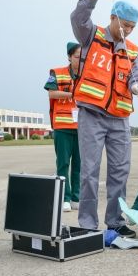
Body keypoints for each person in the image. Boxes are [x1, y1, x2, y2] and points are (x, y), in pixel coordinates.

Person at [70, 0, 138, 237]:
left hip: (119, 119)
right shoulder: (92, 36)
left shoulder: (133, 50)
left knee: (120, 172)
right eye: (124, 25)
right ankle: (88, 225)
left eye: (132, 27)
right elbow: (78, 17)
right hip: (92, 115)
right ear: (113, 18)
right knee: (89, 171)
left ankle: (114, 221)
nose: (127, 30)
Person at [44, 42, 82, 212]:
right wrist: (72, 94)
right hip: (63, 126)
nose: (80, 60)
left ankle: (76, 197)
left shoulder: (87, 74)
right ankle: (64, 198)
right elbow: (52, 93)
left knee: (79, 165)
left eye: (83, 57)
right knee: (63, 164)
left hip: (82, 127)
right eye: (76, 57)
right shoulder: (57, 73)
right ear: (69, 56)